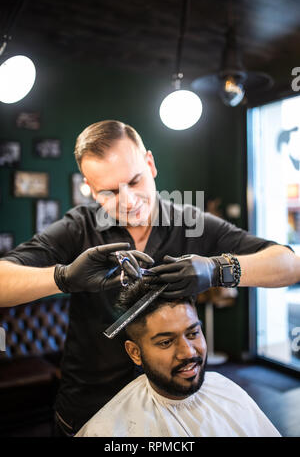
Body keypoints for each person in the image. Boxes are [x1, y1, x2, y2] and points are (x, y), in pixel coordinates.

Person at [0, 119, 299, 435]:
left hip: (177, 407)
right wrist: (63, 278)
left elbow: (289, 264)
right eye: (109, 191)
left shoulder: (190, 222)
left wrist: (217, 270)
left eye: (135, 181)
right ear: (87, 186)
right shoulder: (78, 228)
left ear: (150, 164)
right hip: (90, 409)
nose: (128, 201)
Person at [75, 280, 281, 437]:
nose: (188, 352)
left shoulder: (227, 390)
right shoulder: (109, 429)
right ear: (135, 353)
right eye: (166, 342)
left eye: (193, 334)